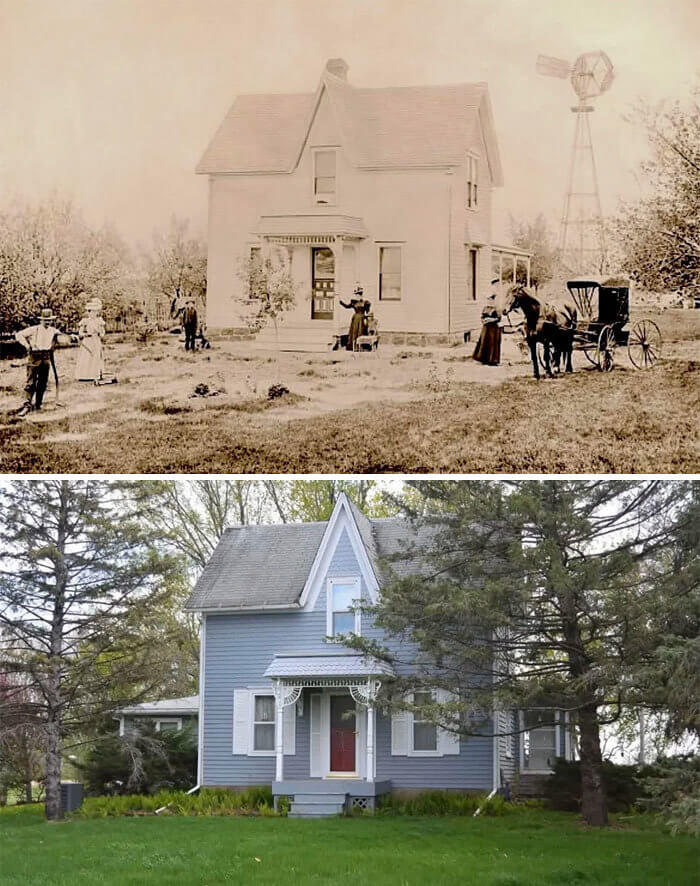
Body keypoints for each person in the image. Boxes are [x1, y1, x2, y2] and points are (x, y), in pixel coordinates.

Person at [14, 307, 61, 414]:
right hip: (34, 356)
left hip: (46, 357)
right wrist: (26, 345)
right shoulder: (34, 329)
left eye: (49, 320)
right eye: (46, 320)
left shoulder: (53, 331)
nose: (48, 322)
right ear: (41, 320)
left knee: (43, 383)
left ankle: (38, 404)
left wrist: (73, 337)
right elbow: (18, 335)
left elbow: (63, 337)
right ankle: (27, 405)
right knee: (31, 382)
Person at [75, 299, 106, 381]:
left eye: (95, 312)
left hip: (95, 341)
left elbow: (103, 333)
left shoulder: (99, 321)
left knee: (95, 357)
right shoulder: (85, 321)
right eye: (91, 311)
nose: (93, 313)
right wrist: (85, 334)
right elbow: (80, 333)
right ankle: (84, 375)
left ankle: (95, 374)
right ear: (88, 312)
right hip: (87, 341)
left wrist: (99, 333)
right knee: (86, 357)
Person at [473, 279, 503, 366]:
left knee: (492, 343)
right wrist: (483, 320)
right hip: (486, 328)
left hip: (494, 329)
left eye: (491, 299)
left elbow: (499, 318)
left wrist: (490, 320)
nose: (490, 301)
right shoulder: (486, 308)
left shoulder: (496, 308)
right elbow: (482, 317)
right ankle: (483, 359)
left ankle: (492, 360)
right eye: (488, 299)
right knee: (484, 342)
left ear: (493, 300)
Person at [339, 286, 366, 351]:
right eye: (357, 295)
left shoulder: (365, 302)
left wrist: (366, 318)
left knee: (361, 331)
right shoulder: (354, 302)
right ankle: (353, 346)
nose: (358, 296)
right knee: (354, 331)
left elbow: (368, 311)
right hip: (355, 318)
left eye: (359, 295)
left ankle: (362, 346)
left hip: (362, 318)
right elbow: (347, 306)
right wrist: (340, 302)